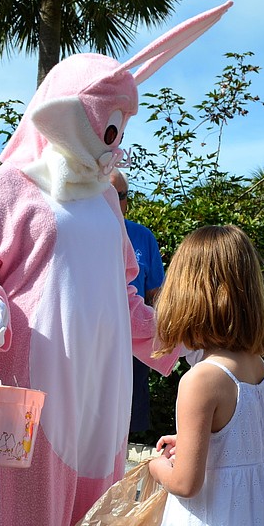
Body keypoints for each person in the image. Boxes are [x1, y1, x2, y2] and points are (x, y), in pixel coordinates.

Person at [0, 4, 231, 526]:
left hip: (104, 385)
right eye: (110, 124)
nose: (116, 142)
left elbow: (121, 294)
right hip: (41, 384)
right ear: (73, 113)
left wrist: (178, 338)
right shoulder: (9, 185)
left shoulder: (104, 199)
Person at [147, 225, 264, 526]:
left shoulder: (201, 379)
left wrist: (155, 466)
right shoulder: (257, 366)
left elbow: (185, 484)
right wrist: (199, 442)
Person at [110, 169, 165, 433]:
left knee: (132, 423)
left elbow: (156, 294)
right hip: (94, 342)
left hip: (134, 344)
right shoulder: (79, 233)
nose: (114, 201)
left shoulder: (143, 237)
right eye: (107, 194)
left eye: (120, 195)